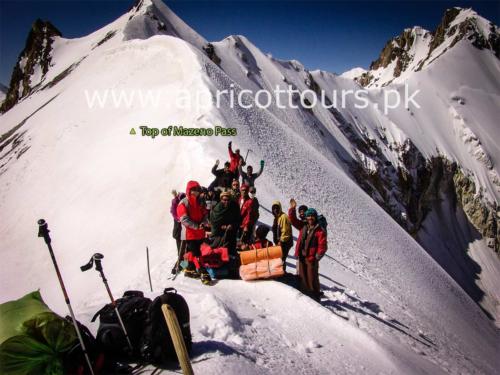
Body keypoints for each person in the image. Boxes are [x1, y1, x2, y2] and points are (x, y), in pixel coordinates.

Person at [177, 181, 210, 283]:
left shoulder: (200, 202)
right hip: (189, 234)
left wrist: (204, 223)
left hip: (199, 233)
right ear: (190, 191)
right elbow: (184, 219)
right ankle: (202, 271)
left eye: (197, 189)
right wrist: (196, 226)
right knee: (196, 253)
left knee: (190, 253)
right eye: (194, 190)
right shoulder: (183, 203)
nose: (197, 192)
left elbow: (205, 214)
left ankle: (187, 268)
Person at [294, 208, 327, 301]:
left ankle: (315, 297)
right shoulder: (304, 226)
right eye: (308, 215)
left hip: (311, 258)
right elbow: (293, 220)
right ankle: (306, 295)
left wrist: (317, 257)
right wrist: (292, 209)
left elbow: (323, 246)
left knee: (312, 278)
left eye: (312, 215)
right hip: (302, 256)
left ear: (315, 217)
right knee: (303, 277)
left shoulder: (319, 230)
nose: (310, 218)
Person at [271, 201, 293, 272]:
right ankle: (280, 272)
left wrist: (281, 241)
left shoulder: (283, 217)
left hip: (284, 243)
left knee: (281, 259)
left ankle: (281, 273)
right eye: (274, 208)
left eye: (277, 208)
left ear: (280, 208)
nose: (275, 210)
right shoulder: (277, 217)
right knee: (280, 258)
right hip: (280, 242)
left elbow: (285, 231)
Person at [170, 190, 185, 273]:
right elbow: (173, 209)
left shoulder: (182, 208)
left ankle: (182, 266)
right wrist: (175, 197)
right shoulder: (176, 210)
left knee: (185, 251)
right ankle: (177, 267)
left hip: (184, 233)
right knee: (181, 252)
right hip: (179, 234)